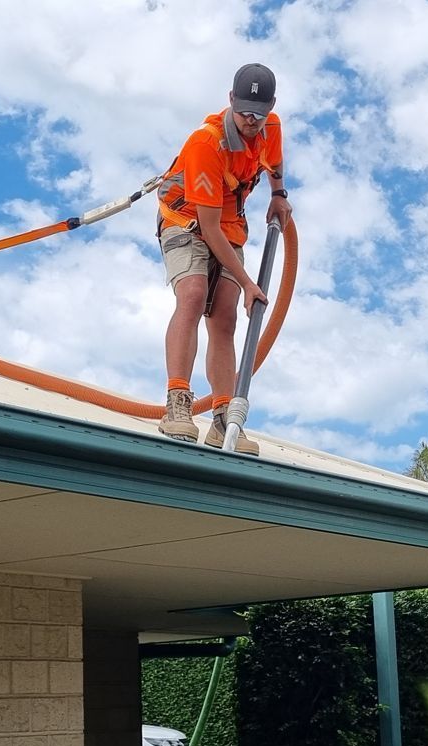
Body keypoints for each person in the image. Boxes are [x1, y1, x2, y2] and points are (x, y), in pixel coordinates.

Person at [154, 62, 292, 455]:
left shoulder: (271, 127)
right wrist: (249, 281)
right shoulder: (206, 143)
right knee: (194, 295)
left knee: (226, 316)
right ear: (231, 100)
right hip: (185, 219)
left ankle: (221, 417)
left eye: (259, 113)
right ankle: (177, 402)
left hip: (230, 224)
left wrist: (278, 194)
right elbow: (207, 228)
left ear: (271, 107)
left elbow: (275, 162)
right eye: (245, 111)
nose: (251, 120)